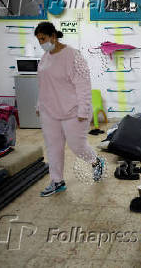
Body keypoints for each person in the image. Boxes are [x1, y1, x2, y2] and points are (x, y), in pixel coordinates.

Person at [34, 22, 104, 197]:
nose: (41, 43)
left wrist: (83, 110)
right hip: (49, 111)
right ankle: (57, 181)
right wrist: (39, 104)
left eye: (43, 39)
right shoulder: (45, 57)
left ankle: (96, 162)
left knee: (77, 146)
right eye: (38, 40)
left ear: (53, 36)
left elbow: (83, 86)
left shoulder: (73, 56)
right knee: (53, 148)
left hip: (73, 111)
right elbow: (44, 85)